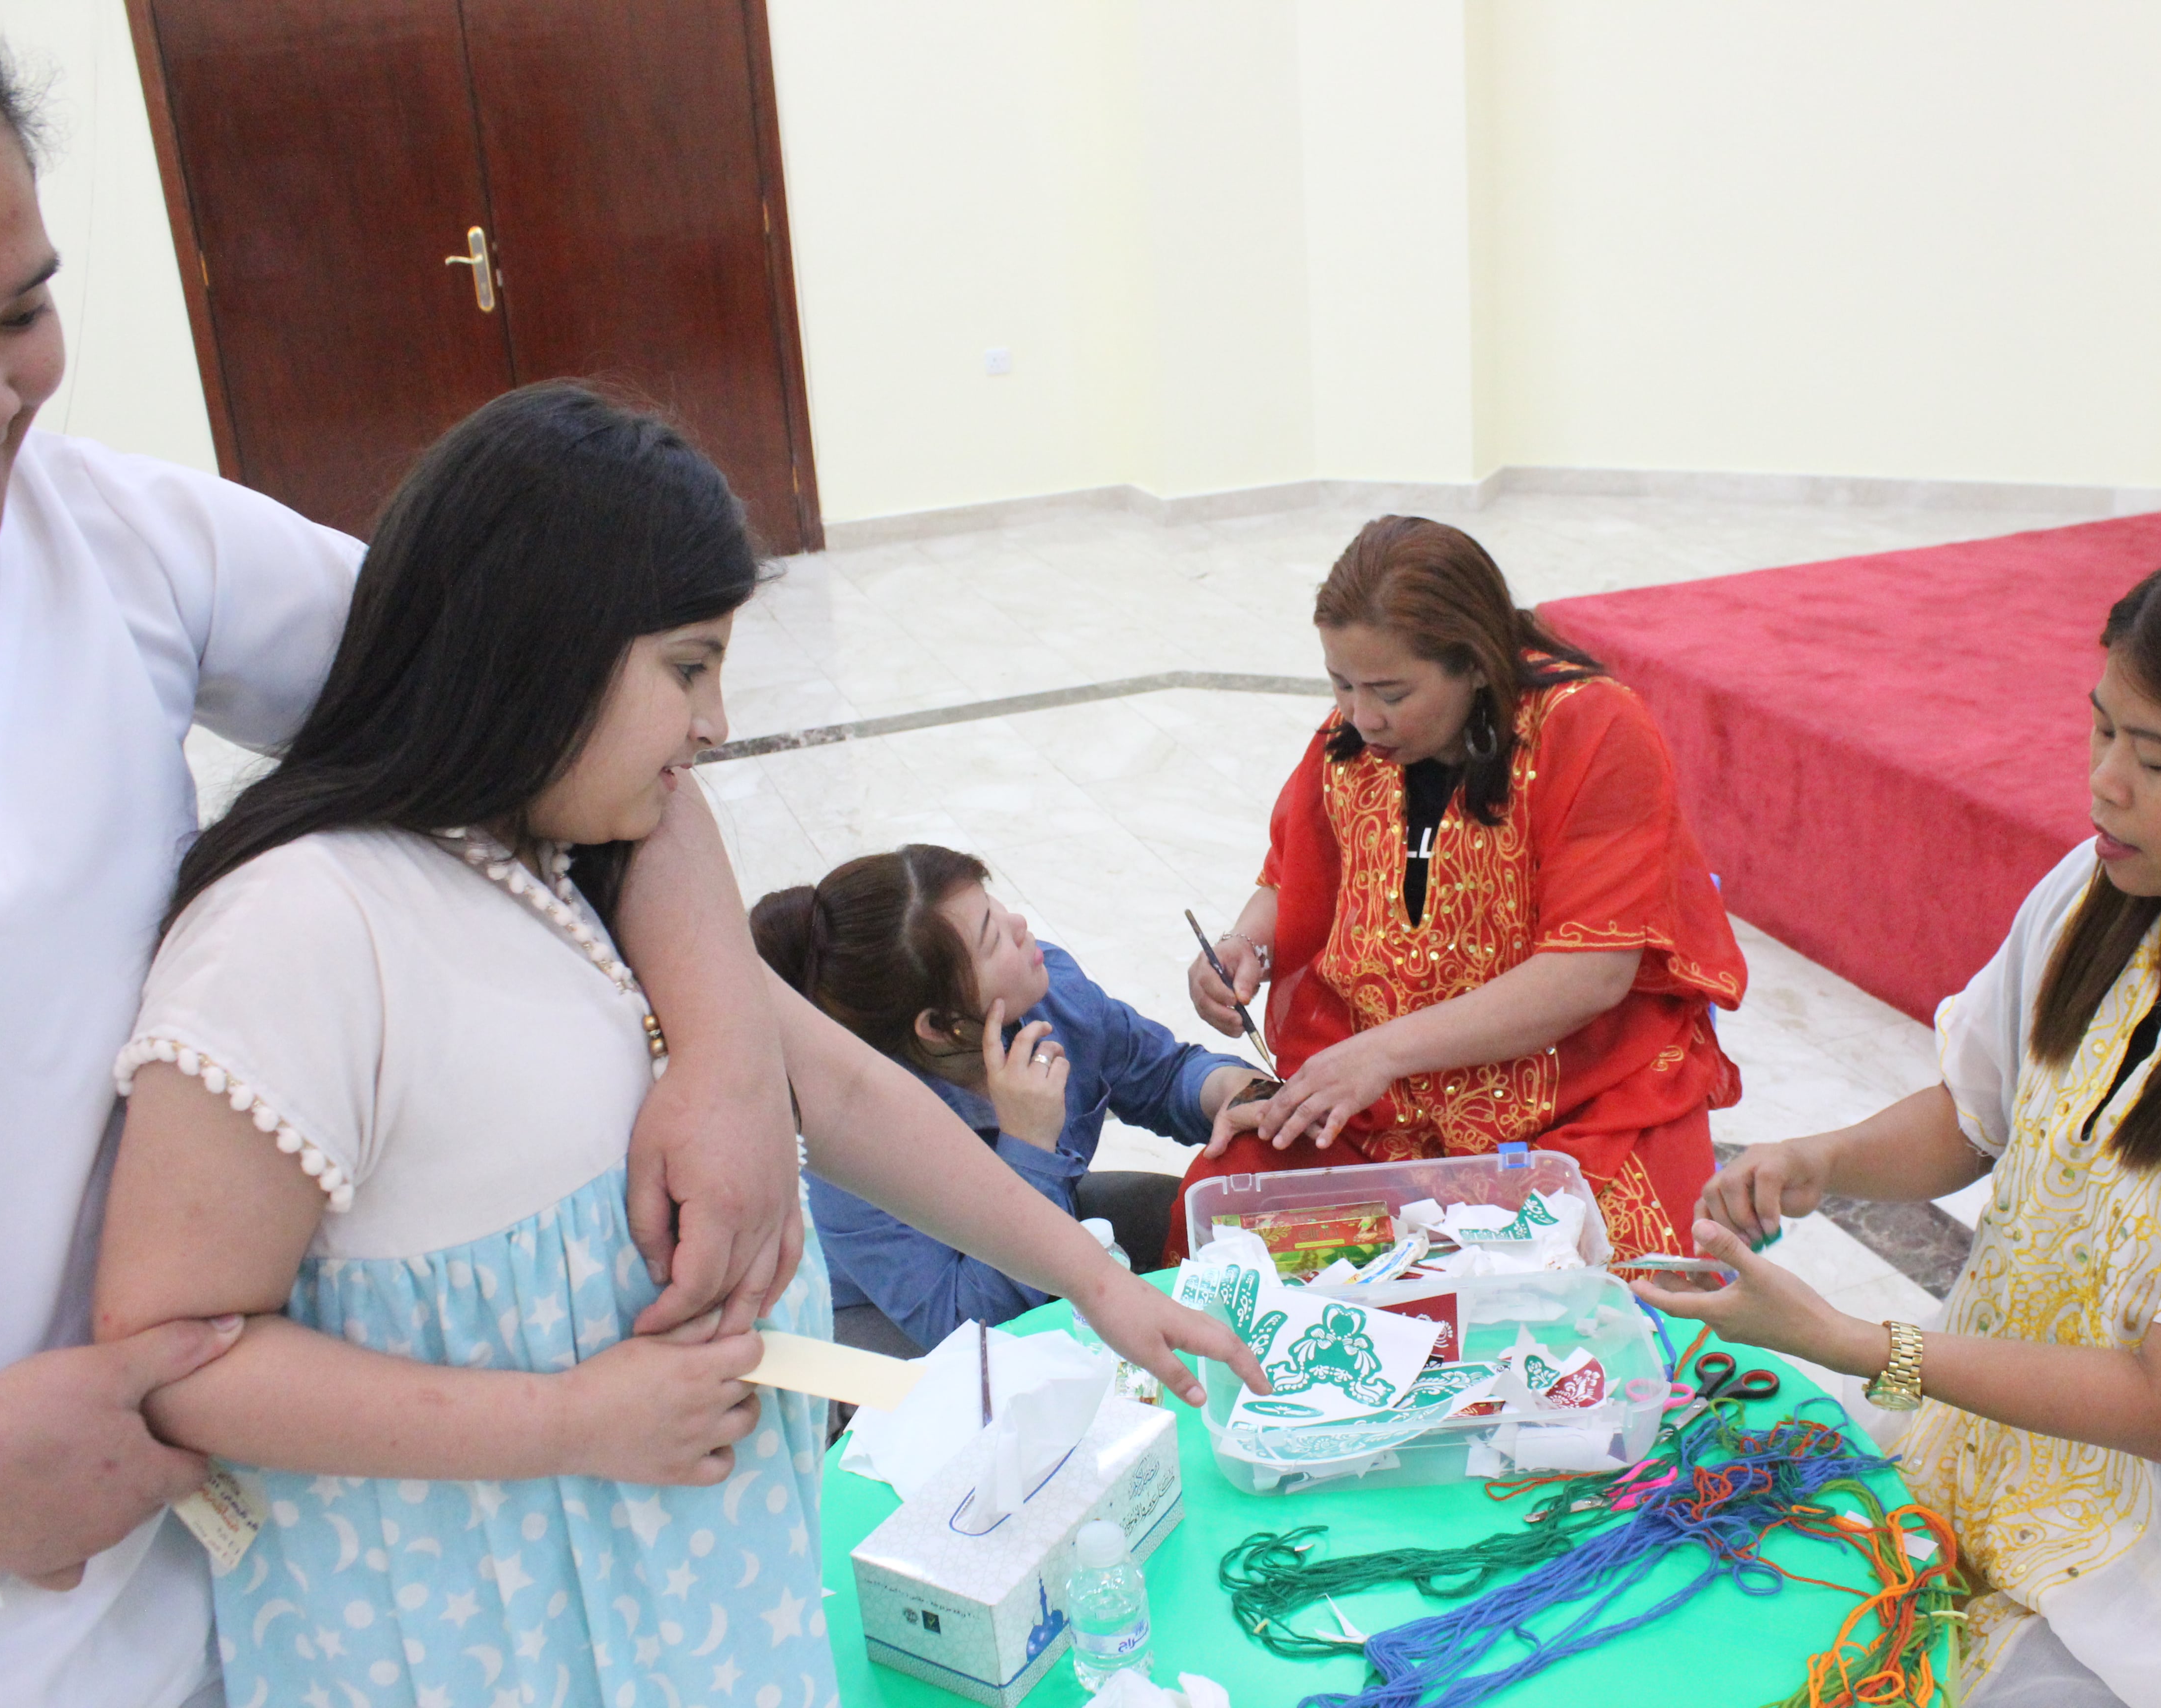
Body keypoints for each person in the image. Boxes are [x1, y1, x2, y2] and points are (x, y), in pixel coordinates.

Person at [87, 384, 1265, 1708]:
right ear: (541, 646)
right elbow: (176, 1354)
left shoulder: (582, 868)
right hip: (478, 1644)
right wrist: (565, 1422)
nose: (715, 722)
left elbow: (836, 1089)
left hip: (684, 1618)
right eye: (688, 668)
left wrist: (1094, 1282)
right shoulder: (303, 930)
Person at [0, 21, 805, 1706]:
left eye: (19, 313)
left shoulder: (120, 544)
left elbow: (557, 700)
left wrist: (723, 1055)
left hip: (209, 1545)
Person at [1643, 530, 2161, 1706]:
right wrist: (1824, 1157)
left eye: (2155, 758)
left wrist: (1854, 1340)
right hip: (1998, 1434)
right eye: (2102, 732)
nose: (2105, 783)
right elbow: (1974, 1113)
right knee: (1723, 1602)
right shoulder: (2109, 885)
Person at [1178, 515, 1747, 1261]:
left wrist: (1381, 1054)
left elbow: (1591, 973)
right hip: (1387, 1115)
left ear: (1476, 664)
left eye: (1390, 691)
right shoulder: (1353, 741)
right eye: (1342, 684)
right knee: (1230, 1207)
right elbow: (1294, 878)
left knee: (1612, 1282)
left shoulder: (1591, 728)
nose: (1362, 716)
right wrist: (1245, 945)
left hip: (1582, 1105)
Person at [753, 846, 1267, 1352]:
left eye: (994, 905)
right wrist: (1028, 1144)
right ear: (941, 1025)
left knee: (1175, 1209)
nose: (1019, 925)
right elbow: (969, 1328)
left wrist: (1233, 1090)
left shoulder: (1047, 990)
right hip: (898, 1325)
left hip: (1043, 1220)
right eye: (992, 937)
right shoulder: (858, 1136)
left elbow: (1162, 1073)